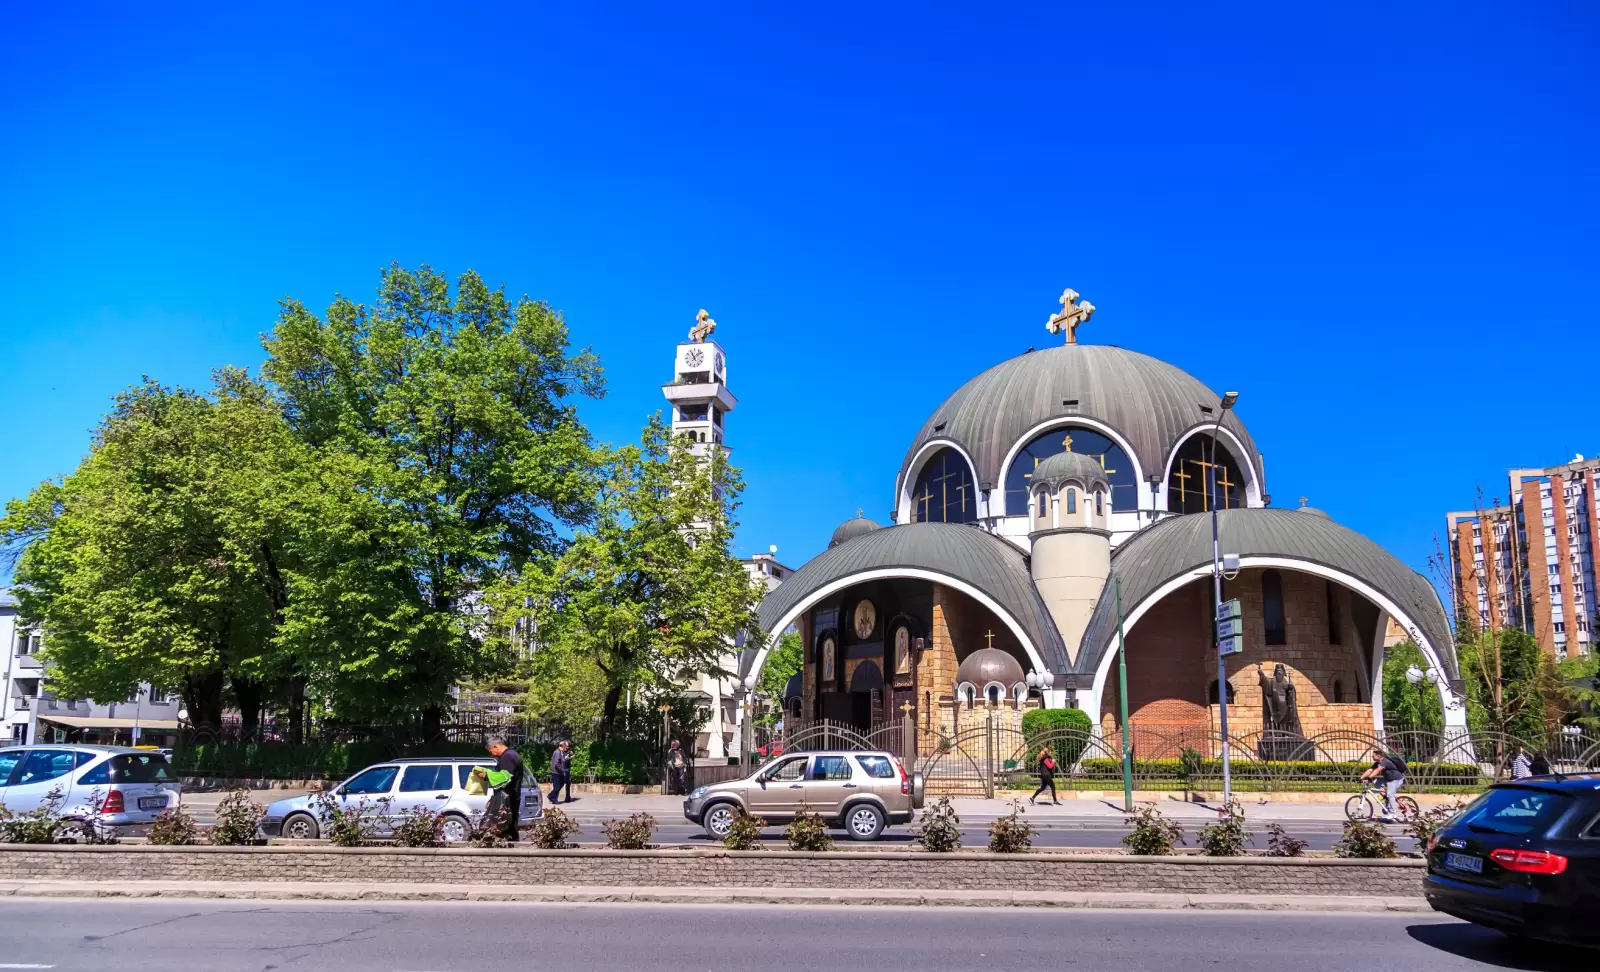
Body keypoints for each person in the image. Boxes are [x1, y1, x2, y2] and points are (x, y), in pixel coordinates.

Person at [484, 736, 525, 841]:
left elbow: (504, 778)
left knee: (506, 826)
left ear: (495, 746)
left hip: (507, 799)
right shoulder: (512, 754)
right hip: (510, 797)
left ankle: (511, 847)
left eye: (491, 751)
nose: (492, 754)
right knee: (510, 825)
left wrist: (487, 775)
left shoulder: (507, 757)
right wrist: (492, 799)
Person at [1359, 746, 1406, 822]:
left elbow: (1378, 770)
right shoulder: (1377, 763)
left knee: (1390, 794)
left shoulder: (1385, 762)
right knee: (1375, 782)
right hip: (1388, 779)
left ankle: (1393, 813)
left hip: (1396, 779)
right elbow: (1370, 770)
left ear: (1378, 756)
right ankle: (1385, 797)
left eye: (1373, 756)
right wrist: (1361, 778)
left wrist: (1369, 777)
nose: (1372, 757)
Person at [548, 740, 574, 804]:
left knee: (561, 784)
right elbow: (556, 764)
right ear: (563, 746)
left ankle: (552, 797)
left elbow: (562, 761)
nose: (566, 747)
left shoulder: (561, 752)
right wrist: (562, 770)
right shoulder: (557, 752)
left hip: (559, 771)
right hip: (556, 772)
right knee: (557, 785)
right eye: (565, 746)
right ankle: (551, 796)